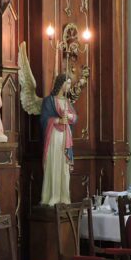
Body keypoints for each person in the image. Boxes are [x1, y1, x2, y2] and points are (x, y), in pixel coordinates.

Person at [39, 73, 77, 205]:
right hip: (54, 135)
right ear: (61, 84)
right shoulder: (49, 101)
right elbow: (44, 119)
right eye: (67, 84)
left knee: (64, 166)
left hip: (65, 137)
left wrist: (70, 117)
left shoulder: (67, 102)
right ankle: (53, 196)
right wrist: (58, 119)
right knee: (54, 164)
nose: (69, 87)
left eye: (70, 84)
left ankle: (64, 196)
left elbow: (75, 118)